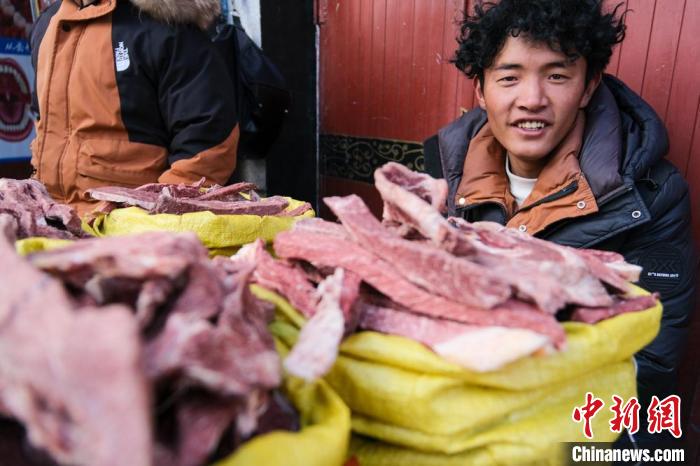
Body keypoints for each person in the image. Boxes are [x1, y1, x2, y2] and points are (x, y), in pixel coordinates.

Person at [424, 0, 696, 449]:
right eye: (509, 77)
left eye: (556, 76)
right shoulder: (445, 179)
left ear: (588, 86)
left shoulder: (651, 196)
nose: (532, 99)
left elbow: (648, 363)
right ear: (481, 90)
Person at [29, 0, 239, 214]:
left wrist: (160, 215)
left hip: (134, 220)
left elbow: (208, 139)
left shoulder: (165, 22)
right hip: (53, 215)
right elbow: (43, 120)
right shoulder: (48, 23)